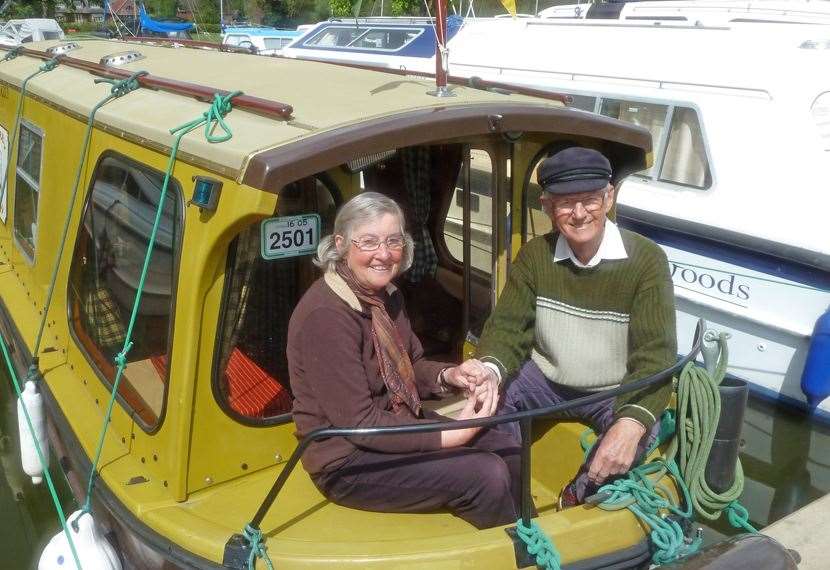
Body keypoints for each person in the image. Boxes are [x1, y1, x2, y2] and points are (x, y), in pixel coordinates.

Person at [287, 192, 525, 529]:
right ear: (341, 244)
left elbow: (411, 366)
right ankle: (507, 554)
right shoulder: (325, 316)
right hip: (348, 461)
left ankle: (533, 539)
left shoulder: (388, 297)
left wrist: (450, 375)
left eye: (393, 241)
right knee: (485, 474)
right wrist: (456, 434)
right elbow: (361, 425)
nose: (383, 254)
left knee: (508, 449)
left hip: (396, 423)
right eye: (368, 242)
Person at [470, 147, 677, 506]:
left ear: (608, 197)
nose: (579, 214)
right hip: (545, 380)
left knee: (634, 437)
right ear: (548, 206)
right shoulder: (535, 256)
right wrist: (489, 370)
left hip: (612, 389)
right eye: (566, 203)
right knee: (487, 403)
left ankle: (575, 497)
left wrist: (632, 422)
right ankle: (509, 492)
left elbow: (655, 355)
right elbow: (508, 328)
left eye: (590, 200)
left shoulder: (647, 261)